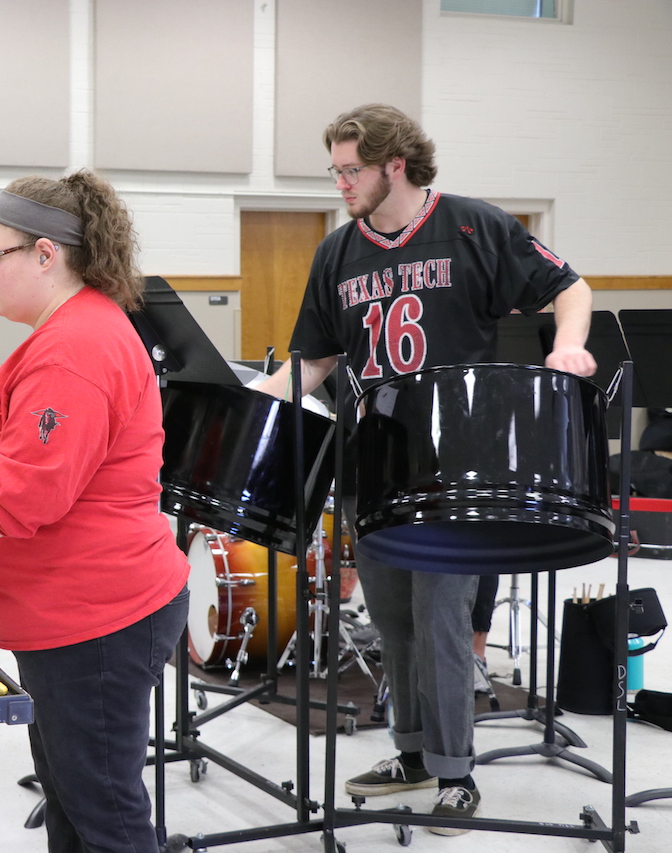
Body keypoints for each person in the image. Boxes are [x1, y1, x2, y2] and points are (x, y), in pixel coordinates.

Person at [256, 103, 597, 834]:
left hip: (453, 463)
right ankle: (411, 752)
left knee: (444, 619)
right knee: (393, 620)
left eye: (352, 170)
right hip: (372, 463)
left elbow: (571, 287)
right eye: (336, 171)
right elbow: (315, 357)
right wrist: (257, 400)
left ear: (395, 166)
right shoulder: (337, 252)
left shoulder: (473, 225)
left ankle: (456, 772)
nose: (341, 184)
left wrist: (567, 345)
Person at [0, 170, 190, 853]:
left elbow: (26, 497)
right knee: (73, 807)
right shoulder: (62, 331)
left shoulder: (76, 346)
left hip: (96, 615)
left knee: (104, 814)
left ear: (46, 254)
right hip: (67, 612)